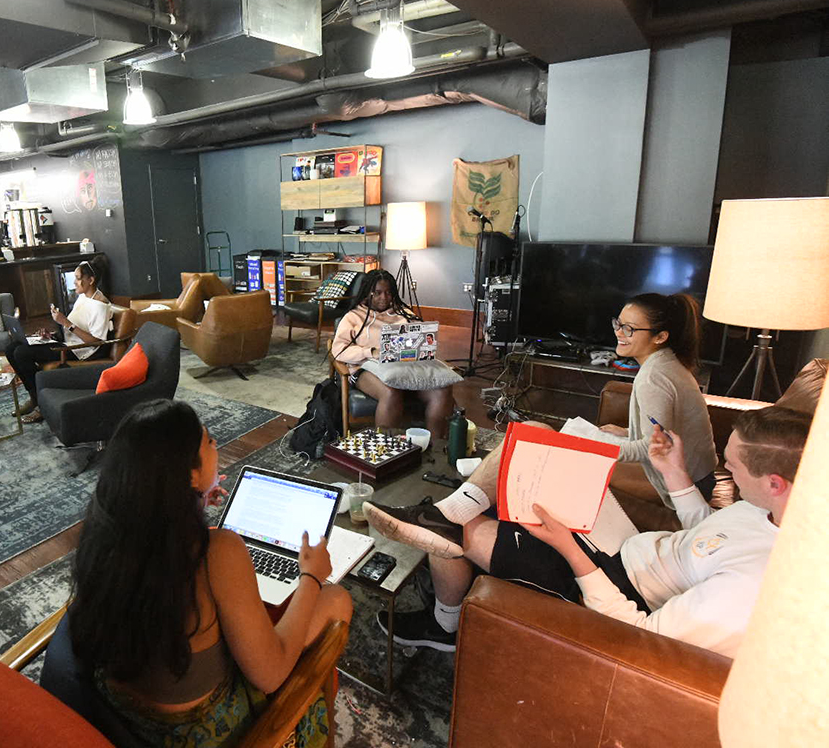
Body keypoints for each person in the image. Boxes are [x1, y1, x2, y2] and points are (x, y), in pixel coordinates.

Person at [364, 406, 812, 659]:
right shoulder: (768, 511)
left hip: (612, 586)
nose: (723, 469)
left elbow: (642, 632)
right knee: (536, 432)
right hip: (624, 542)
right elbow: (707, 534)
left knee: (463, 535)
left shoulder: (757, 585)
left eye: (732, 464)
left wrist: (567, 548)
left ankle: (445, 626)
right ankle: (449, 510)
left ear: (775, 482)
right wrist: (673, 473)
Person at [69, 399, 353, 747]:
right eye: (210, 441)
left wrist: (194, 503)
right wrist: (310, 576)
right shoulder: (217, 551)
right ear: (188, 473)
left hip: (124, 718)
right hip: (206, 733)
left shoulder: (105, 533)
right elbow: (271, 674)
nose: (216, 444)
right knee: (336, 598)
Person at [599, 293, 718, 506]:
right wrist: (627, 433)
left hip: (687, 486)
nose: (619, 332)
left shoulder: (653, 378)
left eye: (630, 329)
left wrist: (596, 448)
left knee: (588, 466)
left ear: (660, 337)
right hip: (700, 475)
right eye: (619, 323)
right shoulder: (669, 362)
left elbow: (655, 446)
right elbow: (667, 430)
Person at [330, 268, 456, 436]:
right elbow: (339, 350)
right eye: (378, 293)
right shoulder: (353, 317)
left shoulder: (404, 314)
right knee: (390, 391)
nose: (384, 298)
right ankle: (387, 448)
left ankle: (436, 445)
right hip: (366, 368)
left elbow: (420, 342)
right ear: (368, 293)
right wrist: (371, 352)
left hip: (407, 367)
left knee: (442, 390)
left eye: (389, 293)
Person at [5, 259, 112, 423]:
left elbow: (96, 342)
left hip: (82, 351)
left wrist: (66, 323)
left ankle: (41, 402)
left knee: (21, 353)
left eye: (77, 278)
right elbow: (74, 330)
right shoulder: (84, 298)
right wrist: (52, 335)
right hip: (68, 344)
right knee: (11, 348)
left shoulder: (100, 305)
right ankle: (35, 397)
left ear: (91, 280)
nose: (74, 282)